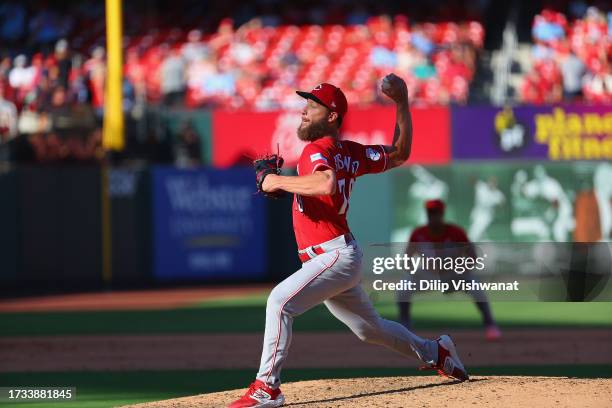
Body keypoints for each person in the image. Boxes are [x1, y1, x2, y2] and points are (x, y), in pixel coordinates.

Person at [228, 75, 469, 408]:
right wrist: (401, 103)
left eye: (312, 106)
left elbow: (325, 183)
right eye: (305, 104)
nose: (304, 111)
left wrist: (276, 182)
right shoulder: (349, 152)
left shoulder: (317, 149)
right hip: (339, 256)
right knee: (369, 329)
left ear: (331, 117)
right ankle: (436, 352)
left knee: (279, 302)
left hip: (333, 255)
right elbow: (400, 153)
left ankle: (267, 387)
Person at [397, 199, 502, 341]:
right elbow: (407, 258)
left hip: (452, 274)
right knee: (404, 287)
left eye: (436, 213)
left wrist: (462, 269)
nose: (433, 217)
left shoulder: (455, 232)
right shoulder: (419, 233)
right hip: (429, 275)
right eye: (430, 213)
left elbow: (472, 255)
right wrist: (413, 271)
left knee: (476, 286)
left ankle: (490, 325)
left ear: (442, 214)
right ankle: (405, 327)